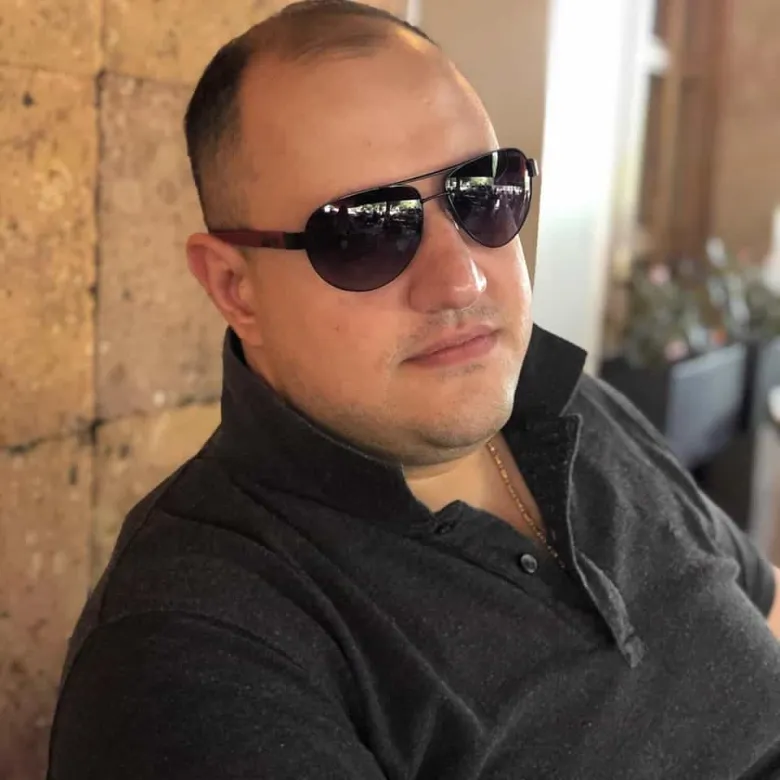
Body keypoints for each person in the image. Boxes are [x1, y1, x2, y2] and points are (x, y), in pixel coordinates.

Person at [48, 1, 780, 778]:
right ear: (236, 288)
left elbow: (760, 613)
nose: (460, 278)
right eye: (367, 230)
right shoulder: (197, 645)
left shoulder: (573, 407)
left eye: (482, 192)